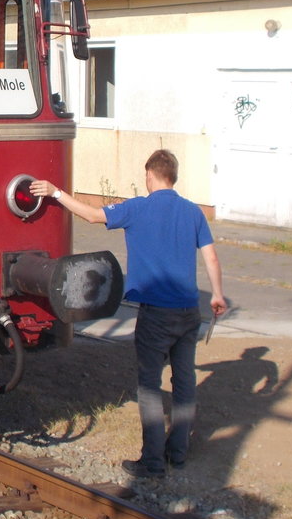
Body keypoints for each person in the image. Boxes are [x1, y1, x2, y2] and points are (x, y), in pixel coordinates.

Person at [30, 150, 227, 477]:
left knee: (149, 385)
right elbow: (212, 259)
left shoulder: (137, 208)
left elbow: (93, 216)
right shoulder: (194, 213)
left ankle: (151, 462)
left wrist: (55, 192)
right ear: (173, 176)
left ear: (150, 175)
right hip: (189, 312)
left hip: (156, 314)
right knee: (185, 381)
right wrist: (217, 295)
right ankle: (177, 453)